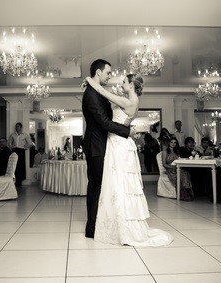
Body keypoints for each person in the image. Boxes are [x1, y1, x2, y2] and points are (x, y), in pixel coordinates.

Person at [84, 71, 173, 247]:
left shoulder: (128, 101)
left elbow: (104, 93)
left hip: (119, 144)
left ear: (132, 85)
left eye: (124, 81)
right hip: (117, 142)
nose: (121, 83)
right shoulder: (130, 100)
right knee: (116, 183)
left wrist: (88, 80)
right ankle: (115, 220)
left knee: (118, 183)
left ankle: (121, 224)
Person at [81, 59, 132, 239]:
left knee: (100, 186)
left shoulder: (96, 91)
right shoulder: (91, 95)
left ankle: (98, 224)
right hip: (96, 146)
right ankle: (91, 228)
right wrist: (127, 131)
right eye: (108, 72)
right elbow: (103, 122)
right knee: (96, 186)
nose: (110, 76)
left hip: (101, 144)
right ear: (98, 72)